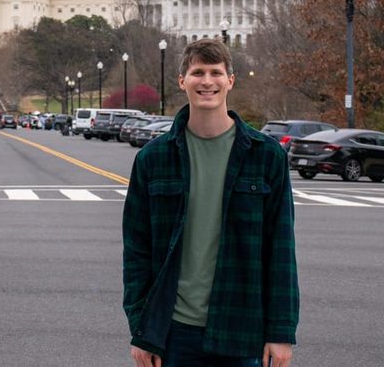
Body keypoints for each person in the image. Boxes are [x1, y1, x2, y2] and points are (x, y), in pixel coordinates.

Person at [122, 39, 298, 367]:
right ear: (182, 81)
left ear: (230, 81)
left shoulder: (266, 156)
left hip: (242, 327)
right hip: (173, 333)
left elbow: (281, 250)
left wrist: (281, 331)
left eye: (216, 72)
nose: (207, 81)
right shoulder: (152, 159)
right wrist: (141, 329)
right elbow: (137, 253)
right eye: (197, 72)